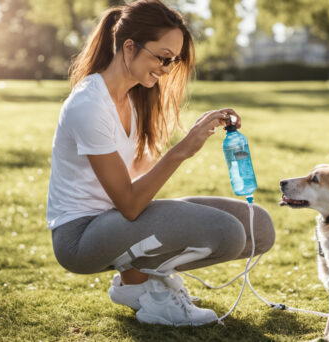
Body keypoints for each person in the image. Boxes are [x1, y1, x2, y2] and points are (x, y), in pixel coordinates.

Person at [47, 0, 275, 327]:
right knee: (228, 233)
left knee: (259, 227)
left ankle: (137, 282)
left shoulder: (133, 98)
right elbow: (128, 204)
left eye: (173, 60)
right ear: (130, 47)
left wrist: (199, 130)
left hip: (118, 222)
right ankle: (148, 290)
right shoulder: (89, 105)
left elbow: (142, 176)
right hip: (80, 237)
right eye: (163, 57)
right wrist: (181, 151)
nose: (167, 69)